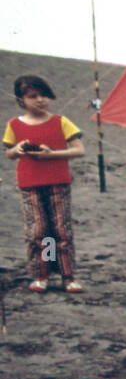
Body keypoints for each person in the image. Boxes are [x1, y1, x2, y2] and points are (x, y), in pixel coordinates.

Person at [3, 75, 86, 293]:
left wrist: (53, 154)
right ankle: (43, 274)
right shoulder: (13, 124)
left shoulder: (61, 121)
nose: (40, 100)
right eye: (33, 96)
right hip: (29, 184)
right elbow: (9, 153)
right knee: (39, 231)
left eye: (44, 95)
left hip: (58, 182)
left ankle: (68, 276)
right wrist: (17, 149)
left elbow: (79, 149)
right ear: (21, 100)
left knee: (62, 230)